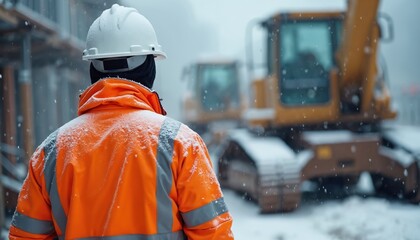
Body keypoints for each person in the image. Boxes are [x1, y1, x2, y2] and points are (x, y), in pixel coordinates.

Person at [9, 4, 234, 239]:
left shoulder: (50, 152)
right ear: (150, 67)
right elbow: (214, 234)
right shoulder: (180, 143)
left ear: (93, 69)